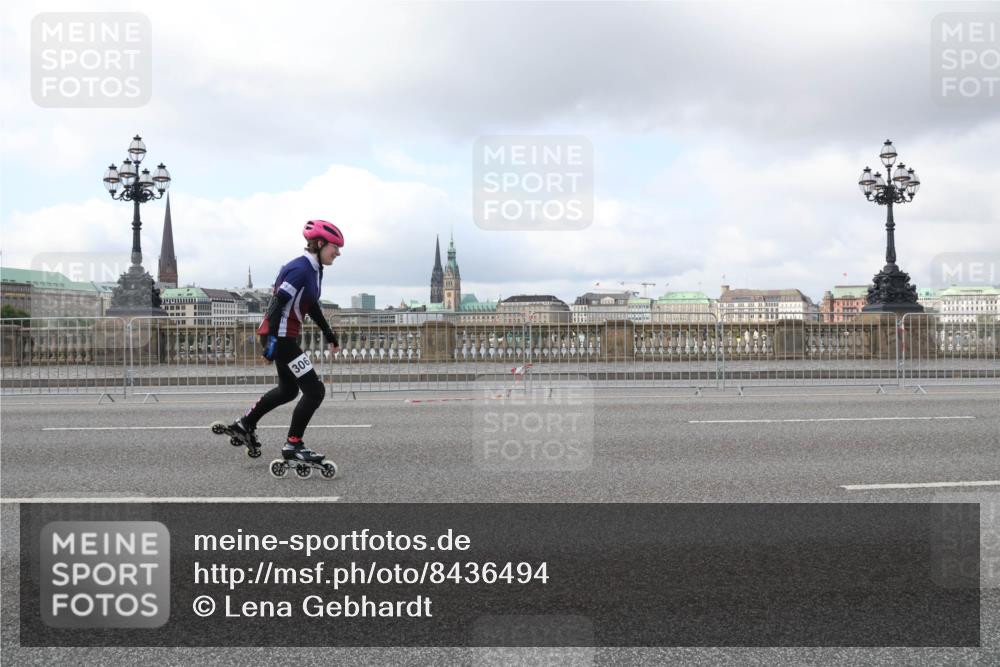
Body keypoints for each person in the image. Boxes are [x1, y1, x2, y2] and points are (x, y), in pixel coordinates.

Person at [213, 220, 343, 470]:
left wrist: (329, 334)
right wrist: (272, 342)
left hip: (285, 336)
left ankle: (245, 424)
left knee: (288, 390)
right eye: (334, 247)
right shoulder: (300, 269)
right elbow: (276, 302)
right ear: (319, 244)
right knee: (314, 391)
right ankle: (293, 445)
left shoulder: (315, 269)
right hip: (280, 337)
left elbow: (311, 304)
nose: (337, 253)